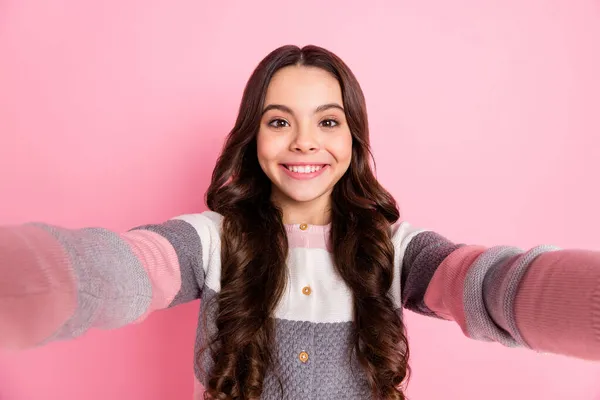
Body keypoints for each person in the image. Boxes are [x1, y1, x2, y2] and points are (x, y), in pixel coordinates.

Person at [1, 44, 599, 400]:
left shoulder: (396, 249)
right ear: (253, 135)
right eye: (280, 121)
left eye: (329, 122)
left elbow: (488, 283)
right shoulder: (213, 238)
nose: (304, 143)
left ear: (355, 137)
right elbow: (122, 268)